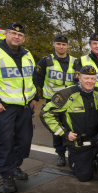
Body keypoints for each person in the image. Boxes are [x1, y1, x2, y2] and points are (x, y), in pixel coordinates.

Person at [0, 22, 38, 193]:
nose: (16, 37)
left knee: (24, 141)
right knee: (6, 141)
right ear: (6, 34)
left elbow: (31, 78)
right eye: (13, 33)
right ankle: (7, 175)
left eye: (20, 35)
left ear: (23, 38)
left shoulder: (27, 54)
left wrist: (34, 98)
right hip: (4, 107)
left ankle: (15, 166)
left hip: (25, 106)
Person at [40, 65, 98, 182]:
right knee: (84, 177)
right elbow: (46, 114)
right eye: (86, 78)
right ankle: (73, 159)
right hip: (79, 143)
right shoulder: (66, 95)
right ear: (79, 78)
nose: (90, 81)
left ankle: (95, 159)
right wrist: (65, 133)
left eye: (93, 78)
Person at [33, 34, 77, 167]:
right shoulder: (46, 61)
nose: (61, 46)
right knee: (57, 130)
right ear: (53, 44)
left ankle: (72, 154)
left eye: (64, 44)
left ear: (68, 46)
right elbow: (37, 79)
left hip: (70, 102)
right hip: (53, 102)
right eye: (58, 44)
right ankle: (60, 155)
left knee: (70, 127)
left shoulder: (75, 61)